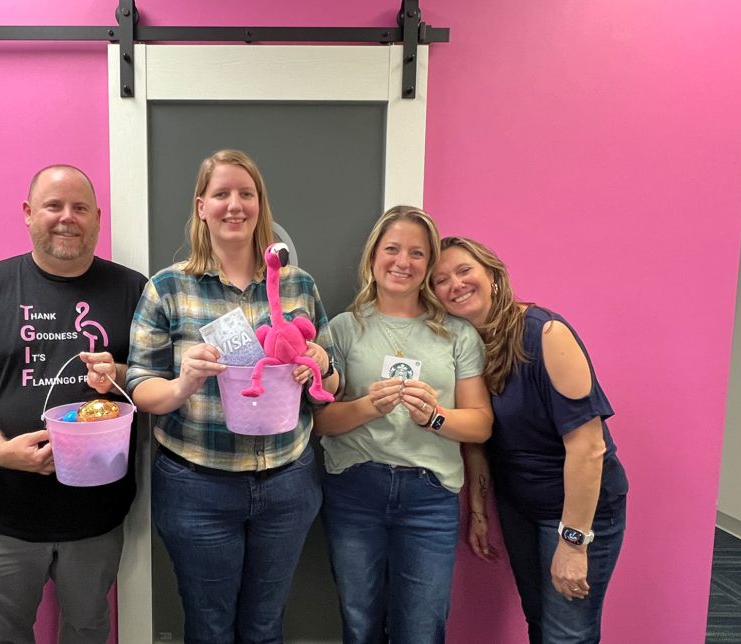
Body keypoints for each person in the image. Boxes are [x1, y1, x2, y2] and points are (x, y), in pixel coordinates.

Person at [126, 149, 339, 644]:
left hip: (288, 484)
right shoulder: (168, 288)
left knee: (266, 626)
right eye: (221, 194)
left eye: (246, 194)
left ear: (261, 205)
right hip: (197, 487)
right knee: (210, 626)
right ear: (201, 206)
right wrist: (184, 383)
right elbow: (140, 385)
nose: (234, 204)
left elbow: (334, 374)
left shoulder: (298, 286)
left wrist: (320, 363)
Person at [0, 165, 147, 644]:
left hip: (97, 515)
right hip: (5, 514)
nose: (67, 218)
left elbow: (156, 381)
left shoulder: (134, 290)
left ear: (97, 218)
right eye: (53, 206)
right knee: (4, 634)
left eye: (80, 208)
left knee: (88, 629)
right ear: (29, 214)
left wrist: (122, 375)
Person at [432, 236, 629, 644]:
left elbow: (589, 448)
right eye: (440, 280)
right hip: (519, 508)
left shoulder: (546, 334)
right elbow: (479, 435)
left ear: (492, 274)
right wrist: (479, 509)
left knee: (568, 635)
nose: (456, 284)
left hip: (578, 512)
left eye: (464, 270)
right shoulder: (464, 348)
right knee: (540, 624)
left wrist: (573, 544)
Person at [313, 206, 493, 644]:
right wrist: (367, 408)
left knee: (423, 628)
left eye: (417, 253)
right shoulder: (341, 329)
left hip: (430, 500)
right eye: (392, 249)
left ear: (429, 265)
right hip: (355, 491)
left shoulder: (457, 335)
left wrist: (436, 417)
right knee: (360, 624)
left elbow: (481, 424)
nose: (402, 262)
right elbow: (320, 422)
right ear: (373, 257)